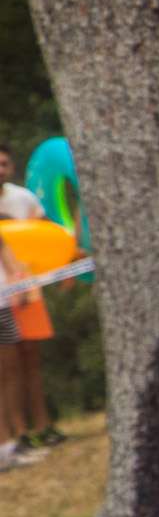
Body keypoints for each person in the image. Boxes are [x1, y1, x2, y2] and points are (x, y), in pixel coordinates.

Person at [0, 143, 59, 448]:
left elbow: (46, 234)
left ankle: (42, 426)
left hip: (27, 292)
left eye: (3, 163)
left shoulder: (22, 198)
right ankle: (16, 434)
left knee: (30, 361)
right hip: (2, 296)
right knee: (7, 368)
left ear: (11, 167)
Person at [0, 235, 47, 472]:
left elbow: (11, 263)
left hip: (4, 305)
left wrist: (22, 286)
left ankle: (14, 442)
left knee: (11, 374)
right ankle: (5, 446)